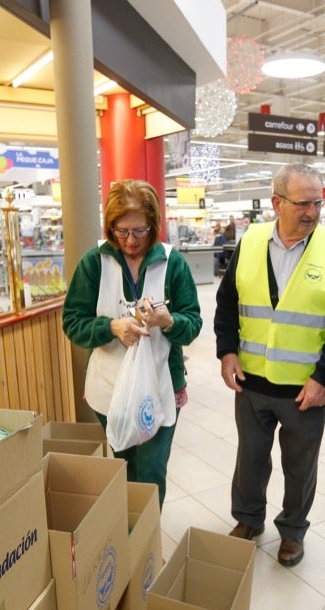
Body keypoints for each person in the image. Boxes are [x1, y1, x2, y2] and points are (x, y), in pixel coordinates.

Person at [214, 162, 325, 567]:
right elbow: (228, 303)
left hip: (305, 387)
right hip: (252, 382)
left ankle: (293, 531)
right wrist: (227, 351)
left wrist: (324, 376)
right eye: (303, 203)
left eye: (318, 202)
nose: (313, 211)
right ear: (277, 203)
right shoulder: (251, 241)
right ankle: (248, 520)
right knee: (251, 458)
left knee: (299, 466)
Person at [62, 179, 202, 508]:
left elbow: (192, 324)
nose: (129, 240)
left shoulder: (173, 264)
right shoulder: (94, 263)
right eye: (121, 230)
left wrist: (168, 321)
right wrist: (111, 327)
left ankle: (146, 540)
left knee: (152, 470)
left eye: (139, 231)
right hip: (110, 387)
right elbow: (72, 322)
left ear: (153, 225)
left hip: (161, 383)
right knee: (123, 466)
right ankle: (127, 536)